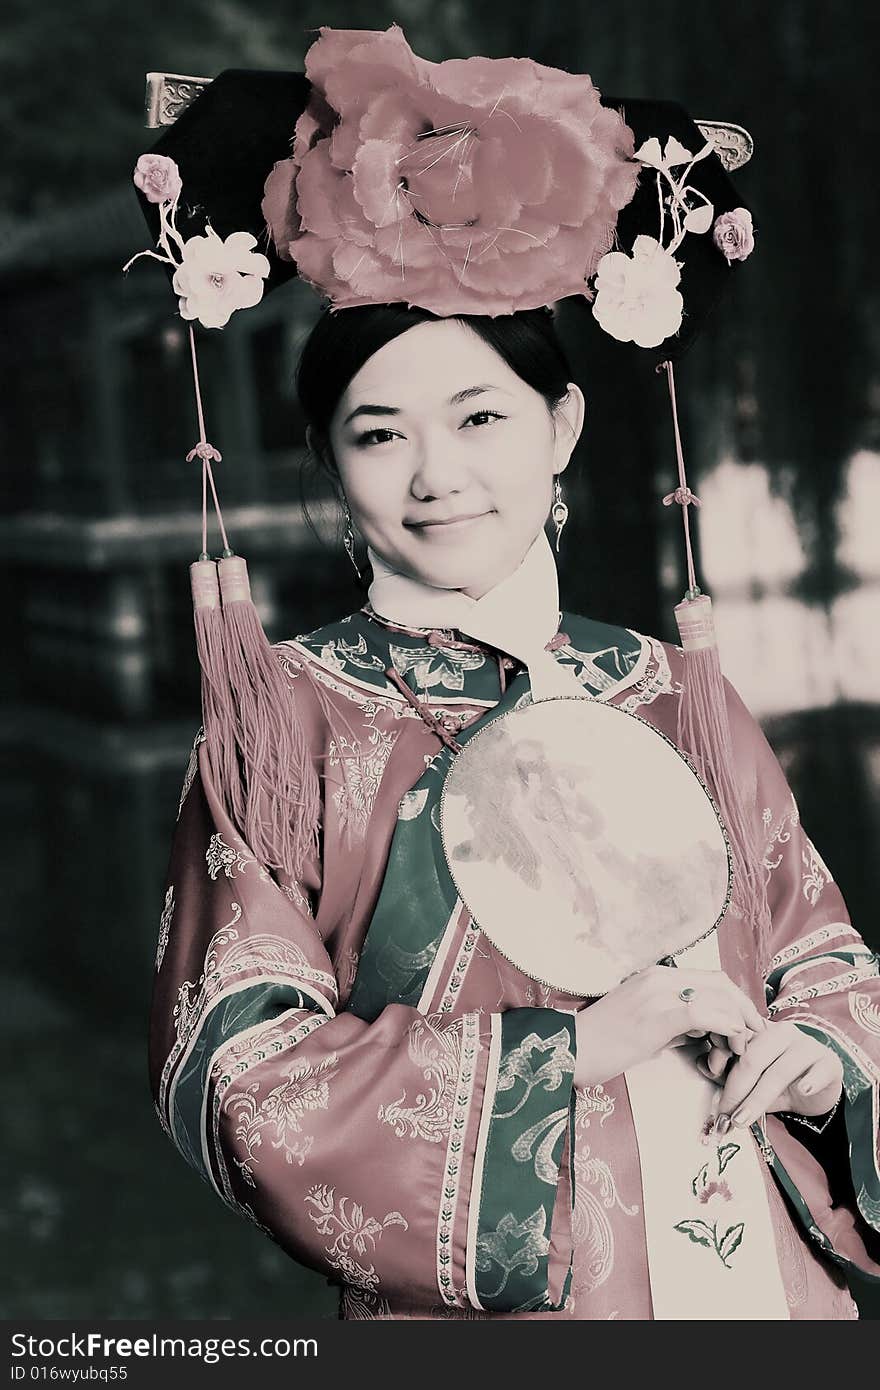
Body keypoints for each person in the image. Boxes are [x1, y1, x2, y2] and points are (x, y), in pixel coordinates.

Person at [135, 26, 880, 1320]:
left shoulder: (665, 686)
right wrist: (569, 1053)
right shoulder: (290, 719)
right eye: (380, 434)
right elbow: (239, 1073)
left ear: (562, 430)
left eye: (481, 418)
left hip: (760, 1272)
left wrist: (824, 1057)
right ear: (330, 464)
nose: (437, 476)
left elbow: (817, 944)